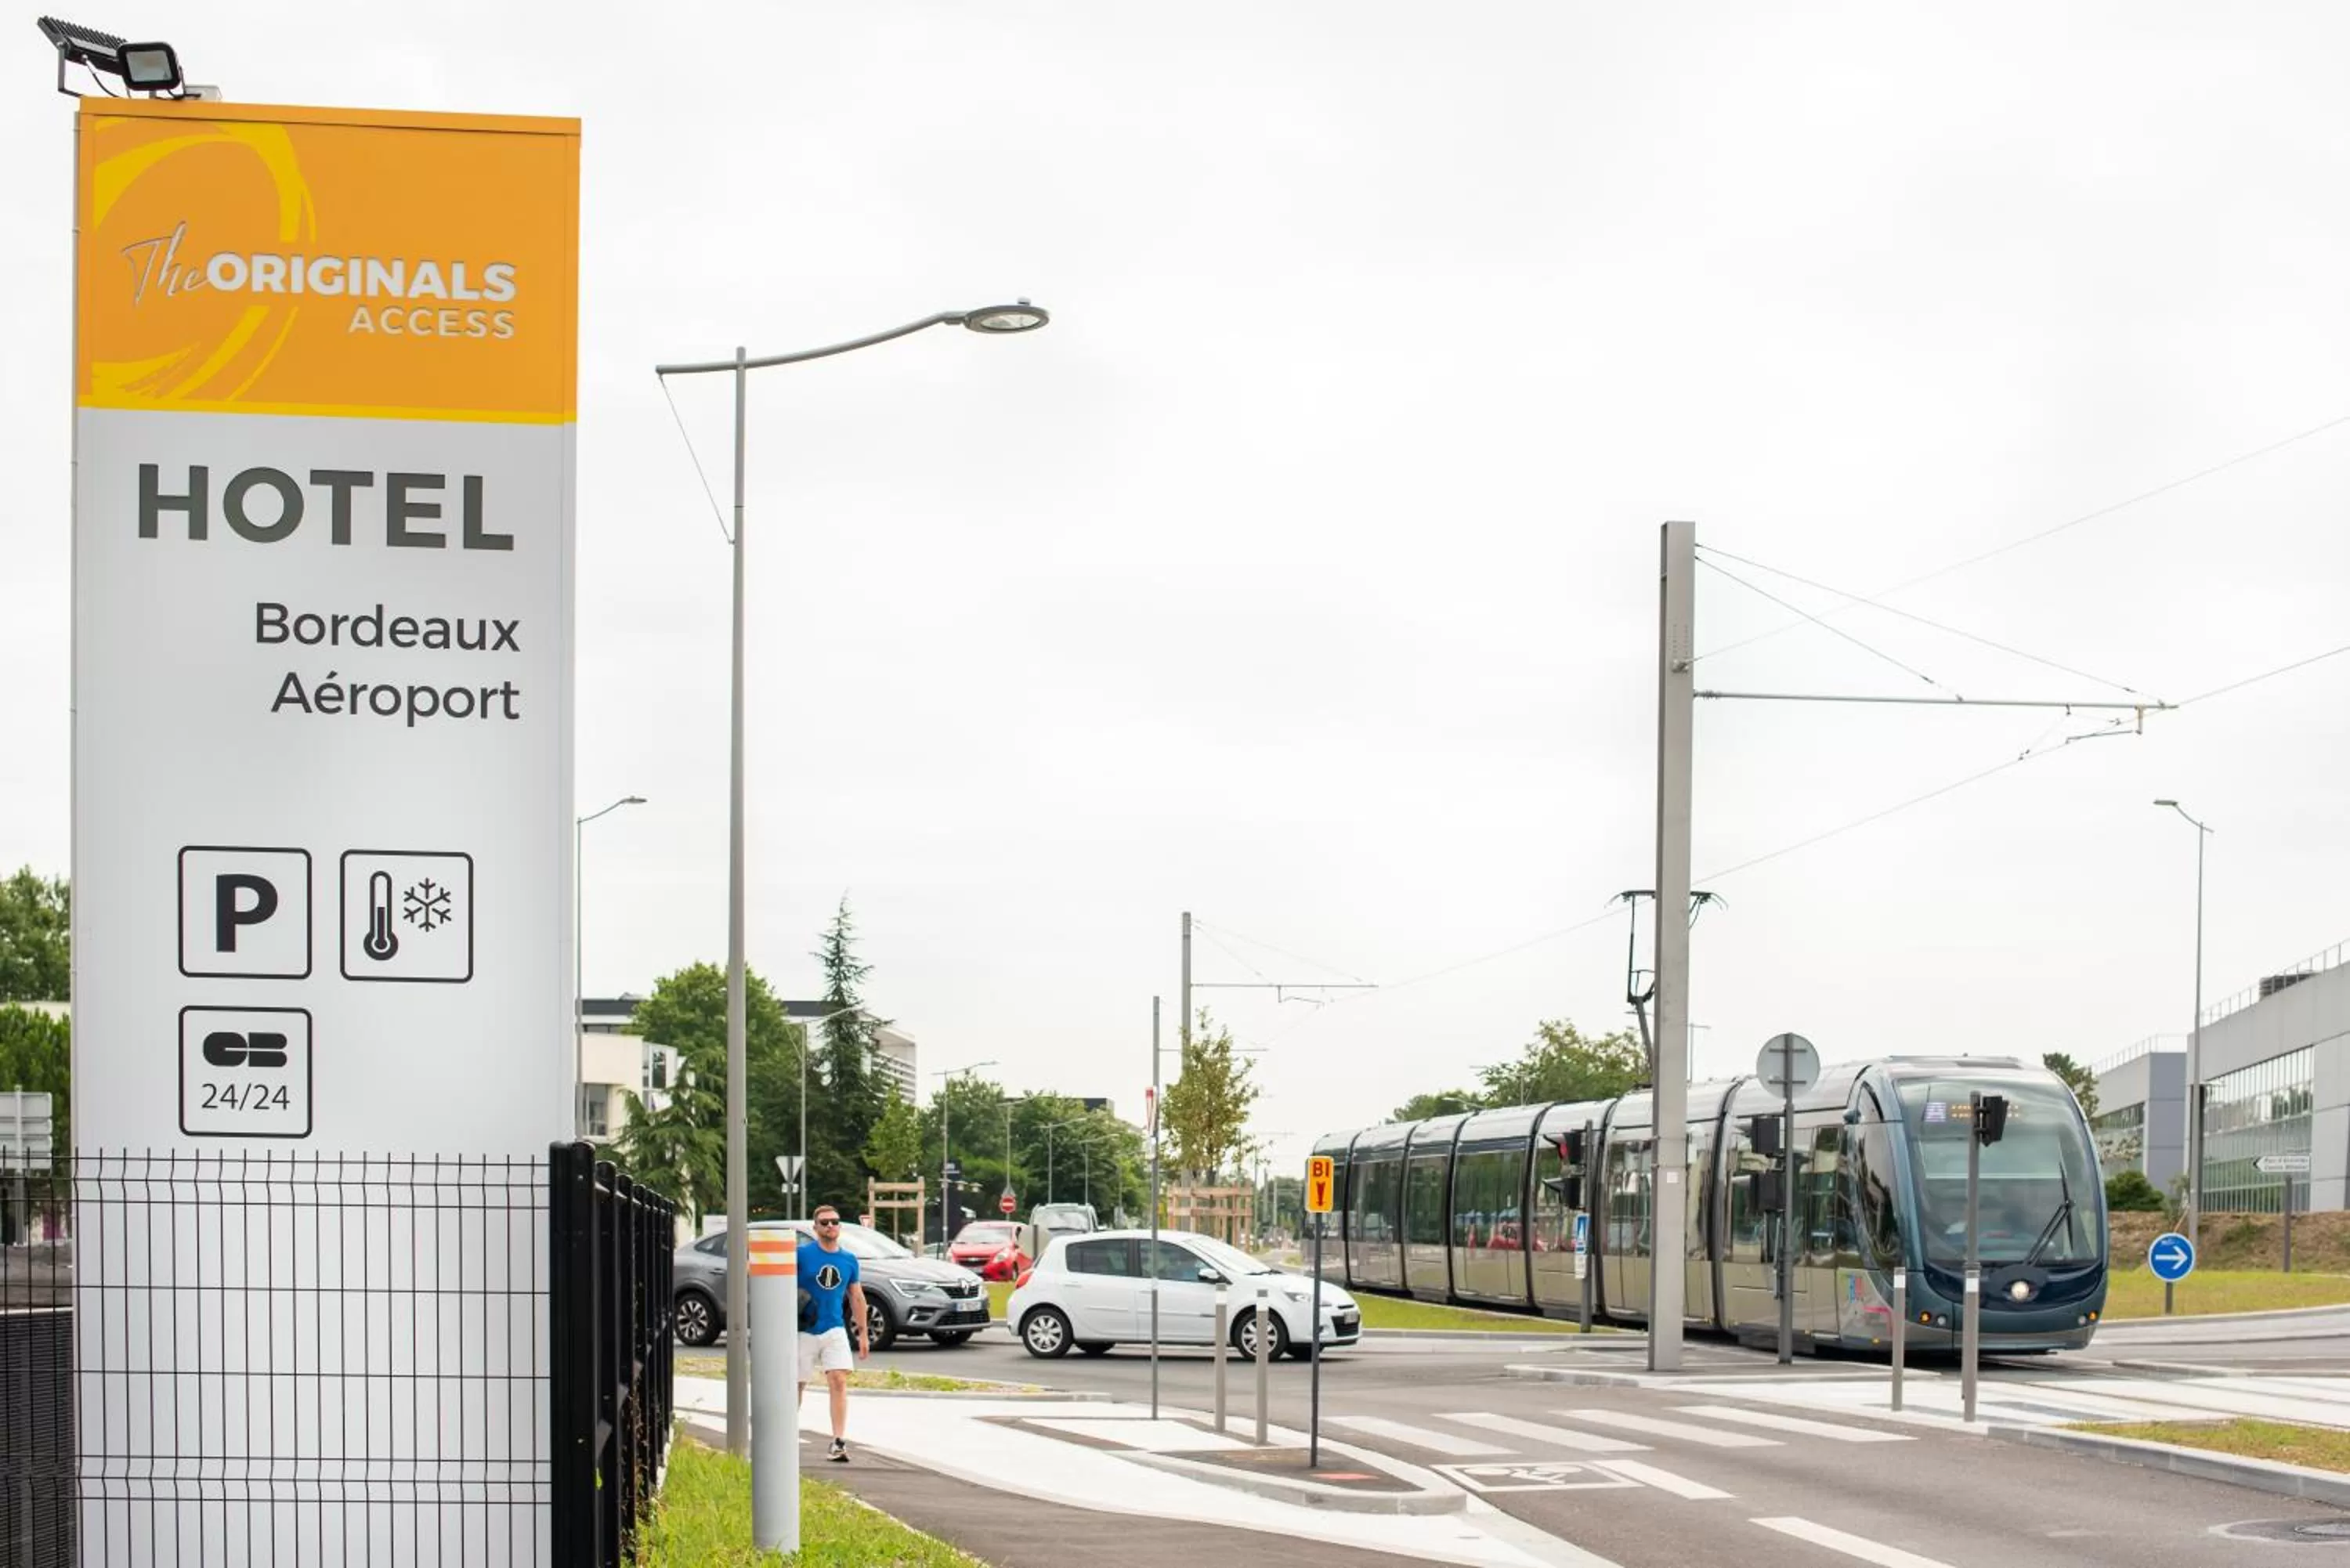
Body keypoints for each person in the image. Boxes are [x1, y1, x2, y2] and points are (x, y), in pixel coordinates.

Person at [797, 1203, 870, 1462]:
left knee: (838, 1380)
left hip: (835, 1328)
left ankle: (838, 1441)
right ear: (815, 1228)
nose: (831, 1226)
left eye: (835, 1222)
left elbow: (857, 1296)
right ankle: (784, 1435)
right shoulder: (802, 1255)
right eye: (825, 1222)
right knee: (796, 1384)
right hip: (803, 1330)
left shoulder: (848, 1260)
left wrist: (863, 1334)